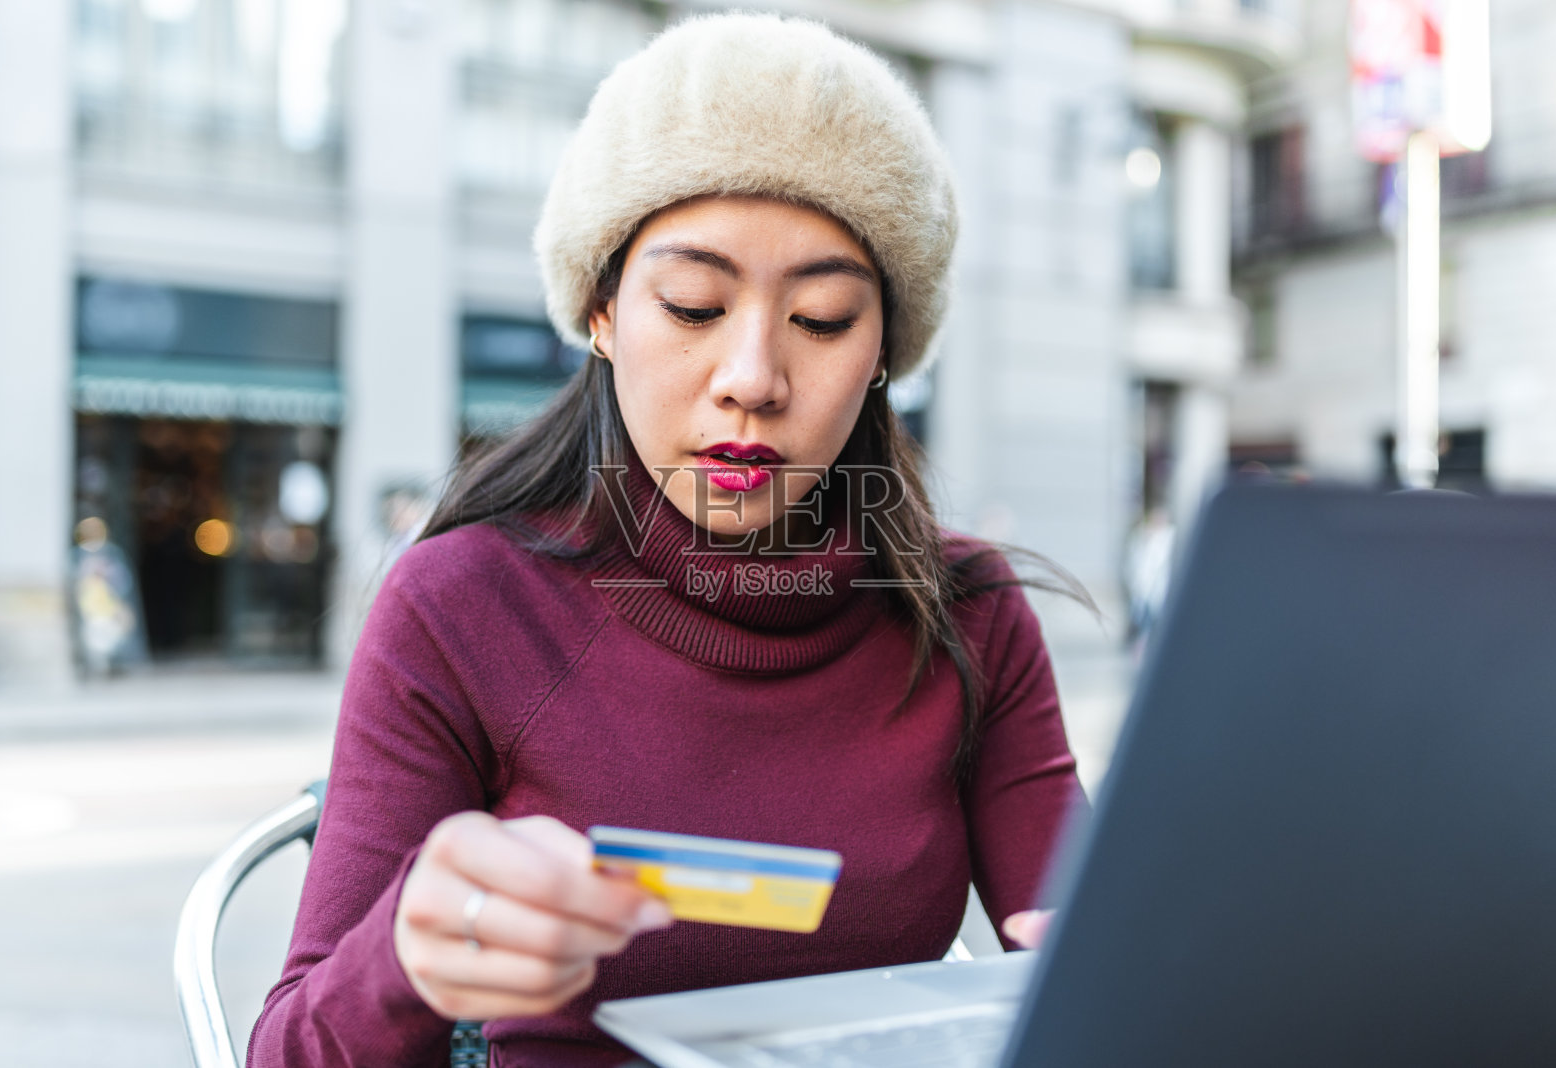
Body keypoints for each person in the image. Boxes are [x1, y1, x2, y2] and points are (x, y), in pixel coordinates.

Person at [247, 14, 1089, 1068]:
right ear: (602, 311)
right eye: (693, 306)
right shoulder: (462, 604)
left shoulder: (965, 610)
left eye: (823, 318)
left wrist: (1129, 966)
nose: (752, 378)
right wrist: (401, 962)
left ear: (884, 351)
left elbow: (1087, 957)